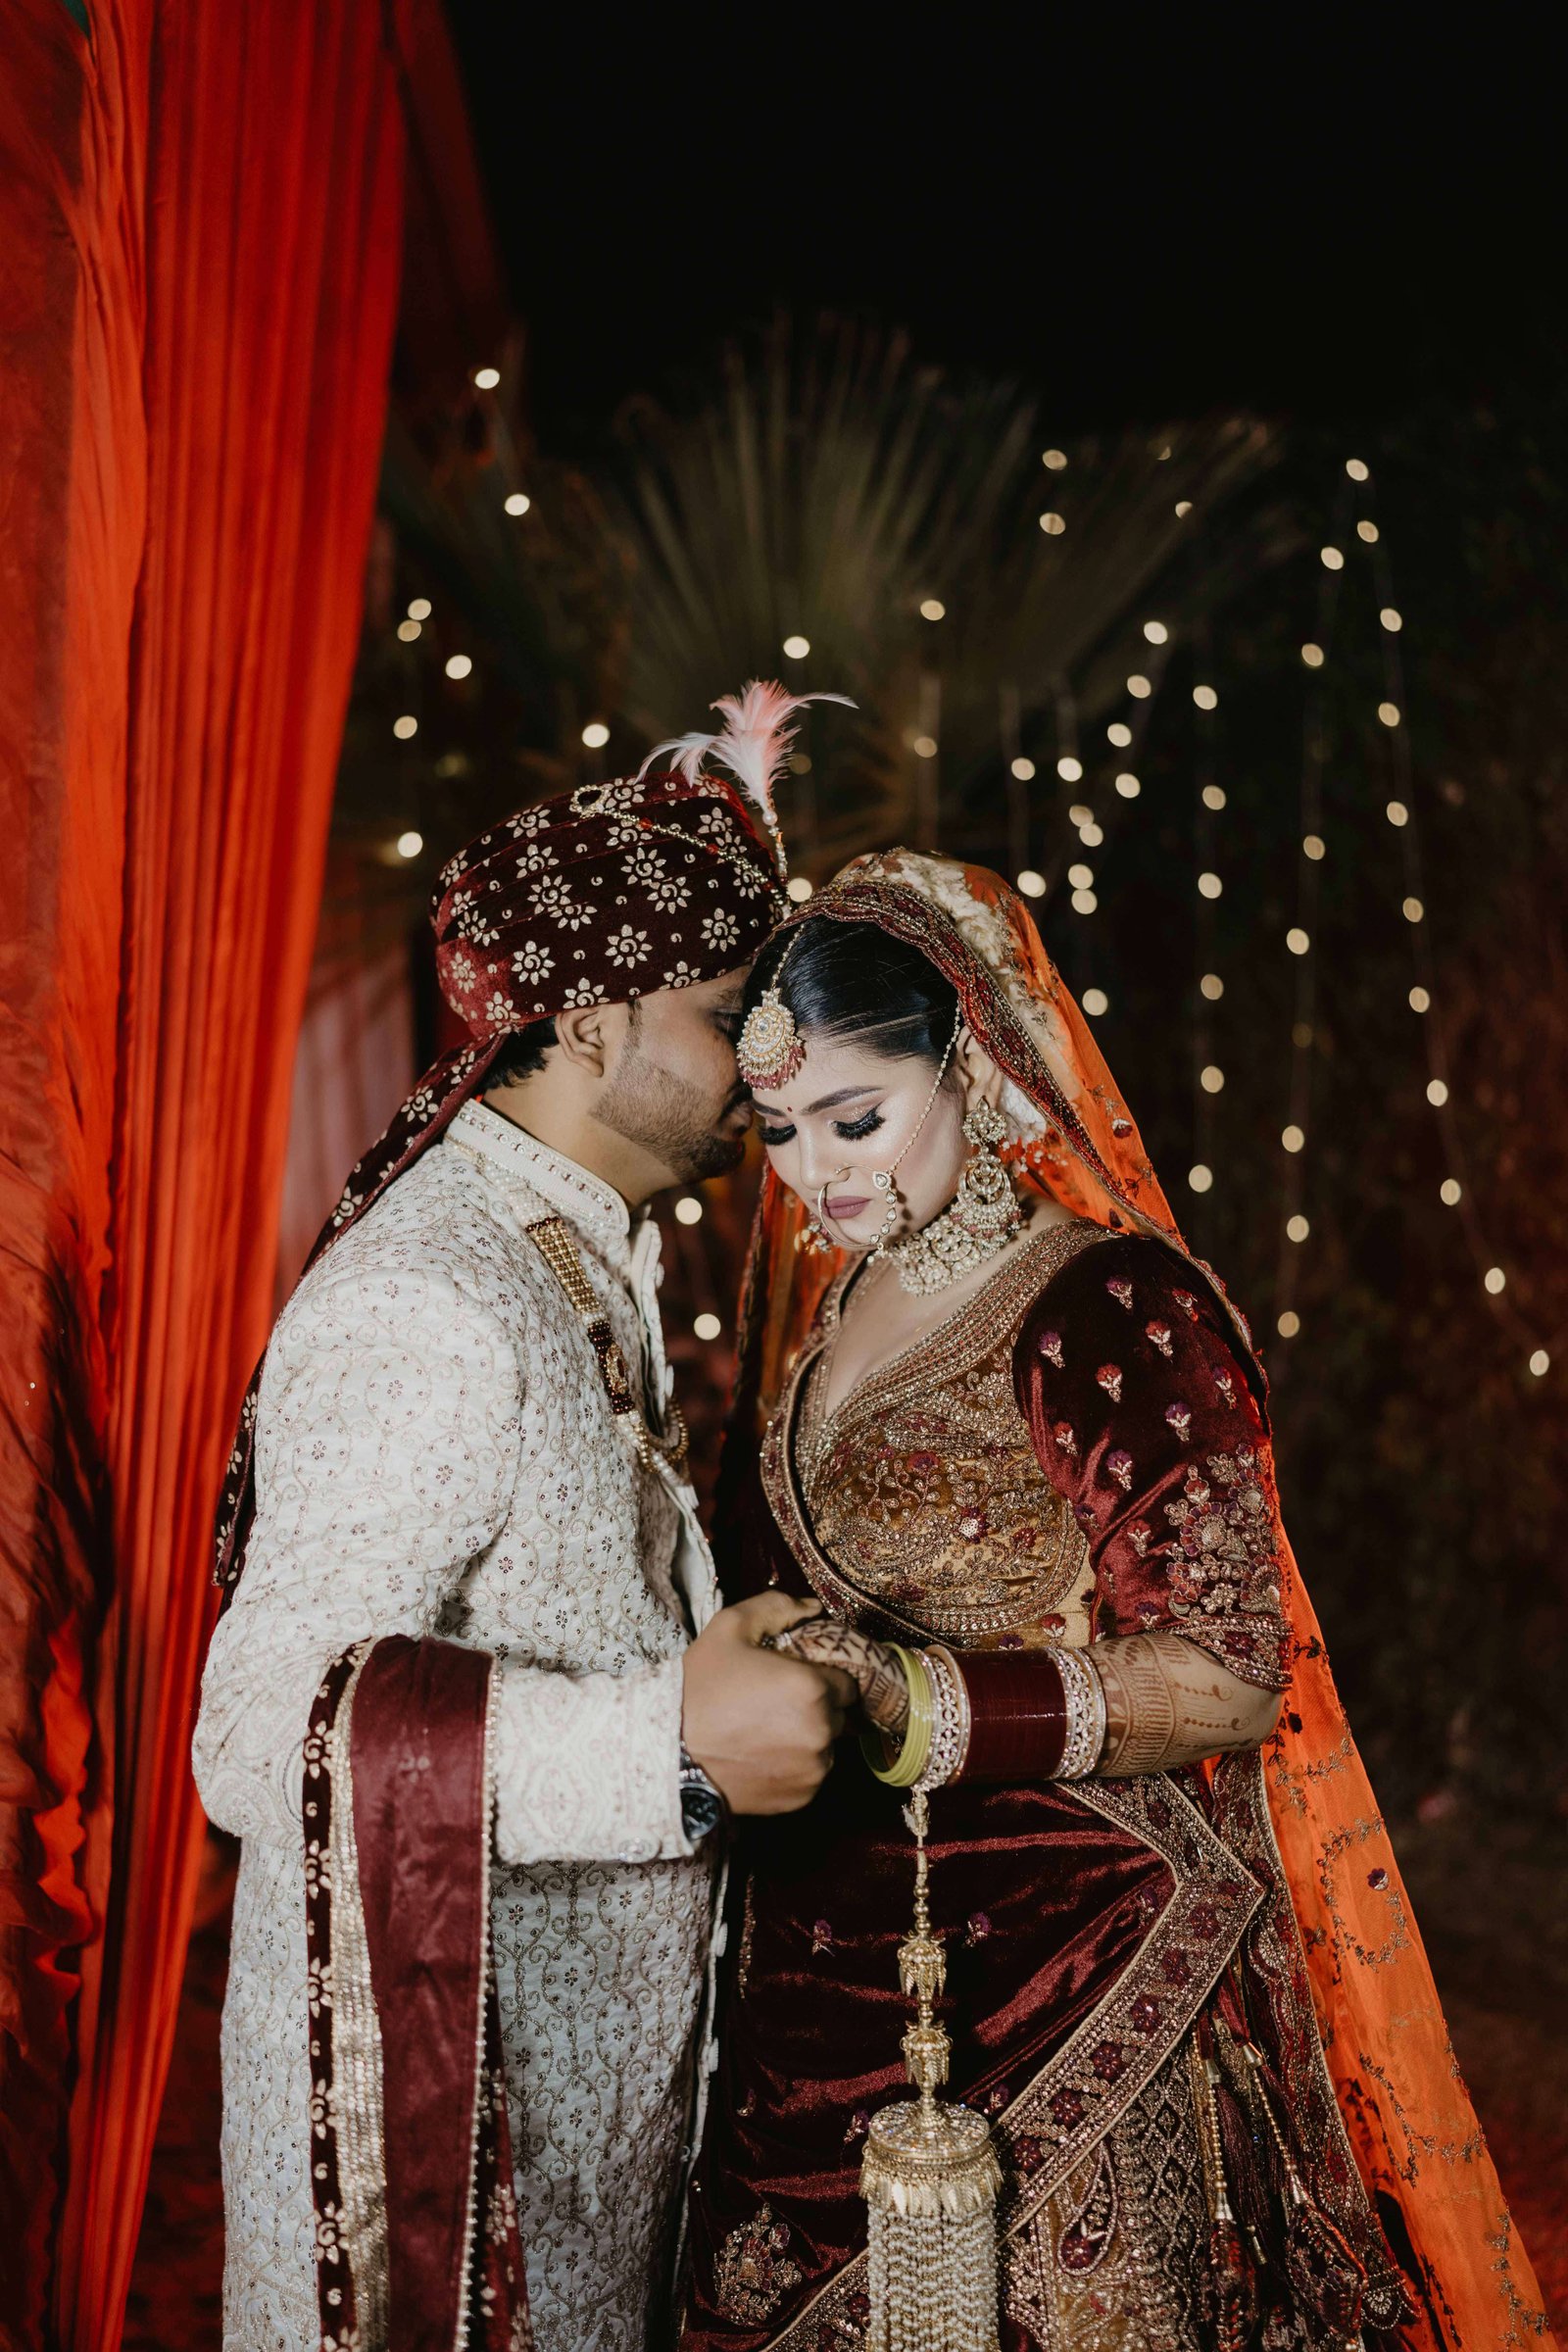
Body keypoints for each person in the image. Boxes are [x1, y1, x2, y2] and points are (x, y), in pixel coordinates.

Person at [678, 849, 1556, 2351]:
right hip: (821, 1980)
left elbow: (1235, 1670)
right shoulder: (829, 1308)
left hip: (1073, 1971)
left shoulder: (1107, 1307)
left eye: (856, 1117)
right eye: (780, 1130)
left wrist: (923, 1702)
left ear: (972, 1061)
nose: (819, 1172)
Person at [192, 688, 858, 2352]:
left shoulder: (575, 1250)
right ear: (589, 1023)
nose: (768, 1063)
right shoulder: (435, 1297)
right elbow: (255, 1736)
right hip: (441, 2168)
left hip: (574, 2133)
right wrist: (670, 1744)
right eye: (727, 1016)